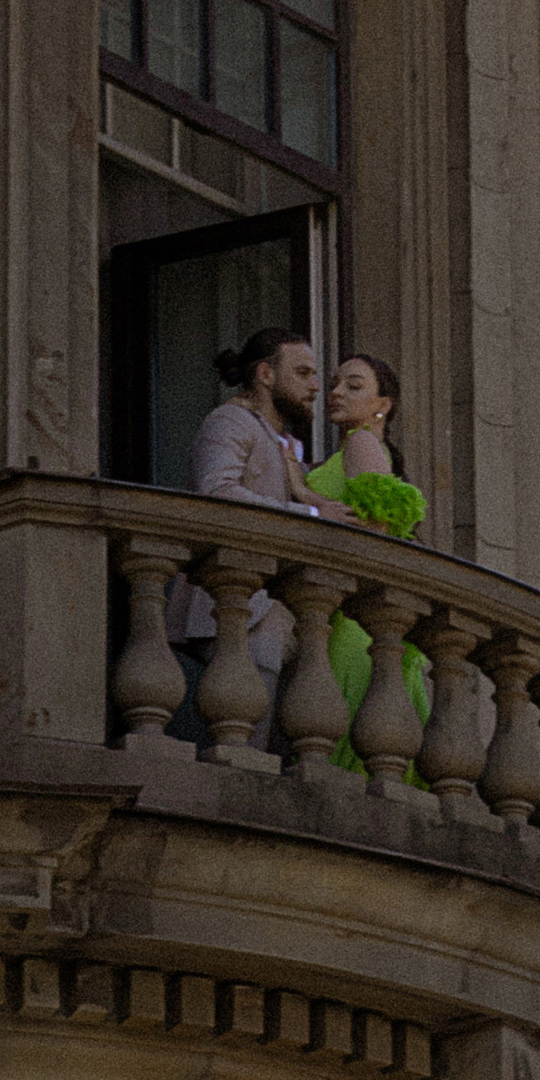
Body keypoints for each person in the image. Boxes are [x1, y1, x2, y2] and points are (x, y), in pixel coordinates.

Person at [167, 327, 358, 747]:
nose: (314, 387)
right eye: (303, 373)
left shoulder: (286, 442)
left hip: (278, 605)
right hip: (240, 603)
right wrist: (310, 513)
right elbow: (216, 492)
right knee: (244, 743)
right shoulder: (230, 419)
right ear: (265, 375)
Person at [304, 353, 431, 772]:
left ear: (383, 404)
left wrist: (308, 499)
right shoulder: (351, 452)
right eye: (336, 383)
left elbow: (375, 526)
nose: (337, 392)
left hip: (352, 629)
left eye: (354, 386)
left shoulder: (361, 443)